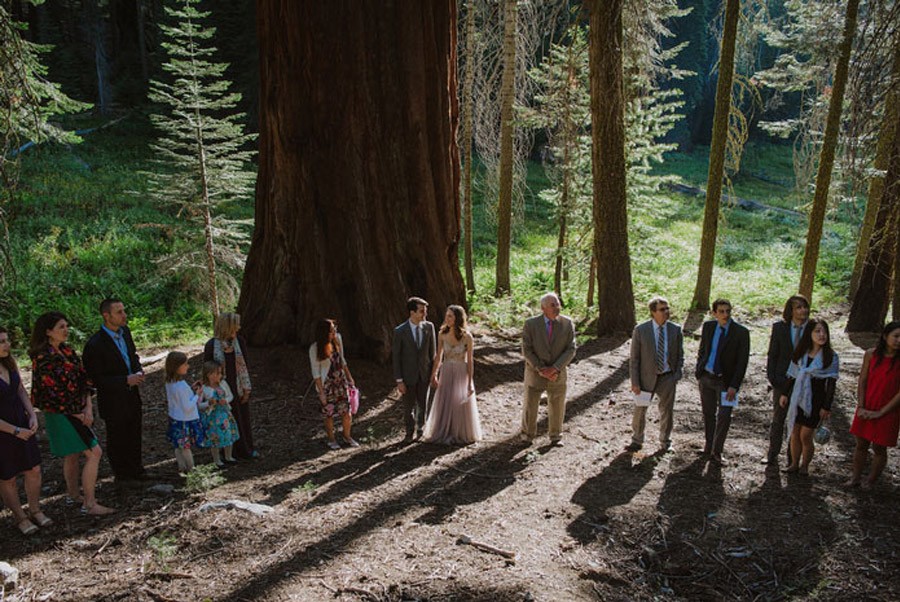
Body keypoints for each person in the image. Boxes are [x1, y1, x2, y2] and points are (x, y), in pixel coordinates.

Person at [30, 312, 114, 515]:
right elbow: (46, 394)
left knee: (74, 454)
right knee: (94, 452)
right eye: (61, 327)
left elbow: (84, 380)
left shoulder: (68, 351)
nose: (66, 330)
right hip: (60, 414)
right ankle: (89, 503)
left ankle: (74, 495)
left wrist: (87, 406)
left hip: (79, 410)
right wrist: (75, 414)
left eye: (67, 326)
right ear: (48, 331)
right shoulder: (42, 358)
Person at [82, 298, 146, 482]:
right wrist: (125, 380)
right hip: (112, 400)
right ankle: (122, 475)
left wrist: (138, 370)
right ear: (106, 316)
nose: (124, 315)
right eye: (119, 312)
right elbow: (97, 379)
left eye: (123, 310)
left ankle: (137, 469)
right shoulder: (95, 344)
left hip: (132, 395)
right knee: (118, 436)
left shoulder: (125, 332)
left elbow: (132, 355)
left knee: (134, 431)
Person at [0, 326, 49, 535]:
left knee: (33, 469)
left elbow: (20, 390)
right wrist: (14, 431)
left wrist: (31, 413)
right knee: (8, 477)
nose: (7, 345)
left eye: (7, 340)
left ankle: (35, 509)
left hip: (22, 423)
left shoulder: (10, 364)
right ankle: (19, 517)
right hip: (4, 431)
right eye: (1, 341)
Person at [779, 318, 839, 475]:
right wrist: (785, 393)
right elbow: (792, 375)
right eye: (817, 331)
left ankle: (805, 465)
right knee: (794, 432)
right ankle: (794, 464)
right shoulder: (801, 352)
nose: (822, 335)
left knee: (806, 435)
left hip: (816, 399)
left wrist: (826, 406)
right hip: (798, 397)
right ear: (809, 334)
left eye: (824, 331)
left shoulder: (831, 356)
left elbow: (831, 383)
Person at [695, 298, 750, 466]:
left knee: (725, 416)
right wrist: (700, 370)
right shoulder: (709, 327)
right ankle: (708, 445)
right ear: (714, 313)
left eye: (728, 311)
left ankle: (717, 451)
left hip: (726, 382)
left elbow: (742, 362)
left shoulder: (741, 332)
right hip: (707, 377)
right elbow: (703, 349)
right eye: (721, 311)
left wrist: (734, 385)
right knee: (708, 413)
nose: (725, 315)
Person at [626, 297, 684, 454]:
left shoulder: (675, 329)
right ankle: (637, 440)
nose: (666, 312)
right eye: (662, 309)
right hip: (646, 377)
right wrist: (635, 381)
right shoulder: (641, 330)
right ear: (653, 312)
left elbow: (680, 355)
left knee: (667, 411)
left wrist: (676, 375)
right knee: (640, 409)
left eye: (667, 308)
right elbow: (635, 359)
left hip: (667, 377)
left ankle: (665, 441)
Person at [847, 321, 900, 489]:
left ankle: (870, 480)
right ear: (885, 336)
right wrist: (861, 406)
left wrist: (882, 412)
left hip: (889, 410)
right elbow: (862, 381)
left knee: (879, 447)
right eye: (896, 336)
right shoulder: (871, 354)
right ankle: (855, 477)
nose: (899, 340)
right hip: (867, 405)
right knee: (861, 444)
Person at [521, 292, 577, 446]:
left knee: (557, 404)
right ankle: (527, 435)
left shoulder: (567, 323)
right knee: (530, 405)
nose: (557, 307)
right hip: (535, 372)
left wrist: (554, 368)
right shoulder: (530, 324)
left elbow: (571, 349)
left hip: (557, 373)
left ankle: (555, 435)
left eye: (558, 304)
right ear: (543, 307)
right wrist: (540, 368)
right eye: (553, 305)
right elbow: (527, 350)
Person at [422, 305, 482, 445]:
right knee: (446, 400)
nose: (447, 318)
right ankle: (444, 430)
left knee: (459, 401)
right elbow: (438, 357)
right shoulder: (442, 333)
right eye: (446, 315)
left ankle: (459, 432)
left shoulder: (467, 337)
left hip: (461, 371)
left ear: (458, 318)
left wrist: (469, 382)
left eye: (450, 316)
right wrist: (434, 375)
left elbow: (470, 360)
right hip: (447, 370)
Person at [204, 313, 257, 459]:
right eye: (235, 326)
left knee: (242, 418)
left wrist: (246, 388)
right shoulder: (211, 345)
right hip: (221, 389)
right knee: (224, 421)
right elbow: (207, 368)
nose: (238, 328)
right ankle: (227, 452)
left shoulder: (239, 342)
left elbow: (245, 365)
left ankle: (246, 449)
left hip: (238, 386)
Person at [764, 294, 810, 466]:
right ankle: (772, 455)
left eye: (804, 306)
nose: (802, 310)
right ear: (790, 311)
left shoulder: (813, 328)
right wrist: (773, 378)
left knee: (798, 421)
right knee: (778, 420)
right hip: (781, 381)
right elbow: (773, 354)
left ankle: (793, 458)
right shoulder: (779, 328)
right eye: (798, 307)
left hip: (803, 382)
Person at [392, 297, 436, 443]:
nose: (425, 314)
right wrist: (399, 380)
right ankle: (409, 432)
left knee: (423, 404)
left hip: (424, 374)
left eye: (425, 311)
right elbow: (396, 358)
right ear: (412, 312)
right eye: (422, 311)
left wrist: (433, 374)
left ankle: (421, 429)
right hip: (407, 376)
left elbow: (432, 354)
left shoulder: (429, 327)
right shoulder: (400, 331)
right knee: (408, 407)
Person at [310, 319, 358, 450]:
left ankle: (347, 436)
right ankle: (331, 439)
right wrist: (321, 393)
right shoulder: (315, 349)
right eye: (331, 331)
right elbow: (316, 374)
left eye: (334, 329)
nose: (334, 332)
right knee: (329, 413)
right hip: (327, 384)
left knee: (346, 411)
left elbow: (342, 360)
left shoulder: (337, 340)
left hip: (340, 381)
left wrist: (349, 377)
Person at [164, 352, 206, 473]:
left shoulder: (170, 382)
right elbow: (188, 406)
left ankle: (181, 467)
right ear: (177, 367)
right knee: (186, 447)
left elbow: (180, 399)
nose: (188, 366)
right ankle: (192, 470)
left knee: (178, 446)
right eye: (185, 364)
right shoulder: (181, 385)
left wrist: (191, 391)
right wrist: (197, 395)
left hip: (174, 418)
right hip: (184, 420)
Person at [198, 361, 239, 468]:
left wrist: (225, 400)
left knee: (228, 434)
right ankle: (217, 460)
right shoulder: (204, 388)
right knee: (214, 437)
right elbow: (199, 405)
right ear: (209, 374)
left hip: (225, 413)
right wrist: (208, 403)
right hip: (213, 416)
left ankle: (228, 456)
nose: (220, 376)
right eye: (217, 373)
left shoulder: (223, 384)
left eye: (220, 373)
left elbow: (230, 396)